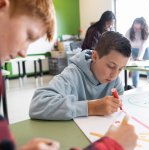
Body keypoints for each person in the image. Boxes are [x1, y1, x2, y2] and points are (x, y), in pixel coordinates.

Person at [0, 0, 138, 149]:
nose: (114, 74)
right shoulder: (73, 74)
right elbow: (38, 104)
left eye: (120, 69)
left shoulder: (115, 80)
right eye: (111, 66)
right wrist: (91, 107)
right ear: (95, 56)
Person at [125, 17, 149, 87]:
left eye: (139, 28)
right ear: (133, 25)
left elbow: (143, 46)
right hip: (133, 49)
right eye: (135, 28)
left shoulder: (146, 32)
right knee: (135, 70)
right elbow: (127, 45)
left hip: (145, 50)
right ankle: (135, 86)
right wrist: (129, 57)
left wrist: (139, 57)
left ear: (143, 27)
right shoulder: (129, 31)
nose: (137, 30)